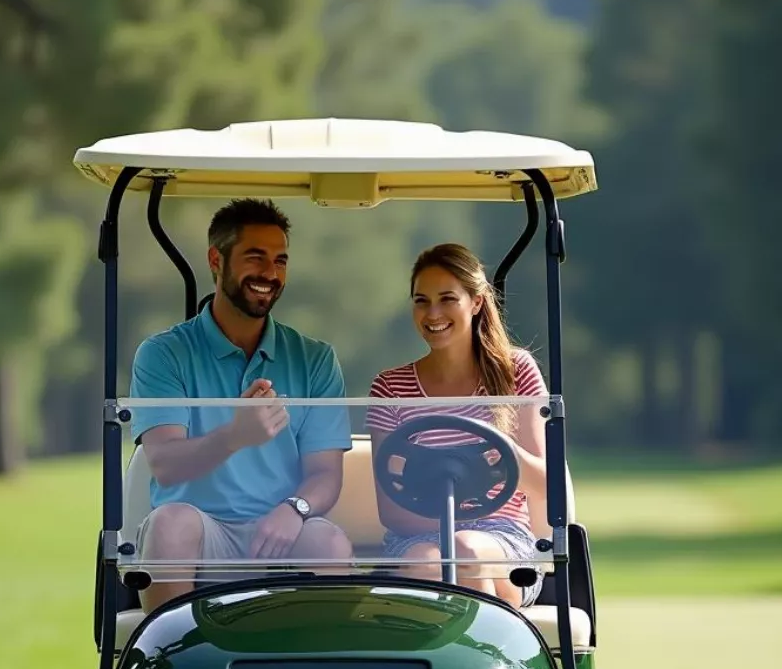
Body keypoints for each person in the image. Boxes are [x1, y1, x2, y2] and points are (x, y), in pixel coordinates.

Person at [129, 198, 353, 610]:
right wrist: (235, 436)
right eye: (256, 258)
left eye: (280, 260)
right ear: (217, 260)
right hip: (201, 535)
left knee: (328, 541)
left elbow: (325, 474)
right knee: (170, 524)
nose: (270, 273)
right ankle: (176, 664)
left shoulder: (314, 358)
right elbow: (165, 462)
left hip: (280, 531)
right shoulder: (164, 354)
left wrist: (294, 509)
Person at [366, 242, 548, 608]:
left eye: (447, 298)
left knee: (465, 551)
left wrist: (503, 456)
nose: (432, 313)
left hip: (503, 535)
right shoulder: (389, 387)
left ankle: (487, 662)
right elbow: (392, 510)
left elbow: (545, 482)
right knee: (425, 563)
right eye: (421, 300)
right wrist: (450, 524)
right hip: (417, 539)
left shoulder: (517, 371)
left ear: (476, 302)